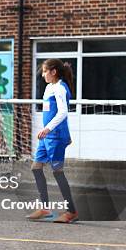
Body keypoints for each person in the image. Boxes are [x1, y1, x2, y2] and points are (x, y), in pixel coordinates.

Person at [27, 58, 78, 223]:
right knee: (36, 167)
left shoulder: (60, 88)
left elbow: (63, 112)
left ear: (53, 71)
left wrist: (49, 129)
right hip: (46, 136)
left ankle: (71, 211)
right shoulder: (50, 87)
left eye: (44, 71)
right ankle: (45, 209)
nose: (43, 75)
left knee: (57, 172)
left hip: (55, 136)